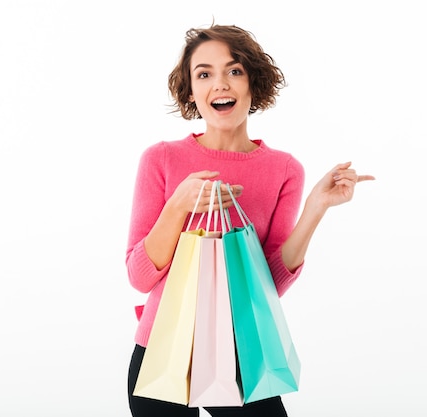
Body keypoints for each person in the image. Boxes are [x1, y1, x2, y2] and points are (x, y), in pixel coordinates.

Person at [125, 23, 375, 417]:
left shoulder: (284, 170)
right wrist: (179, 205)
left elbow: (267, 285)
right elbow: (139, 278)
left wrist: (315, 209)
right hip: (163, 347)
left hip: (242, 350)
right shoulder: (161, 160)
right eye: (204, 74)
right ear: (191, 91)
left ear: (253, 84)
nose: (219, 84)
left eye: (234, 70)